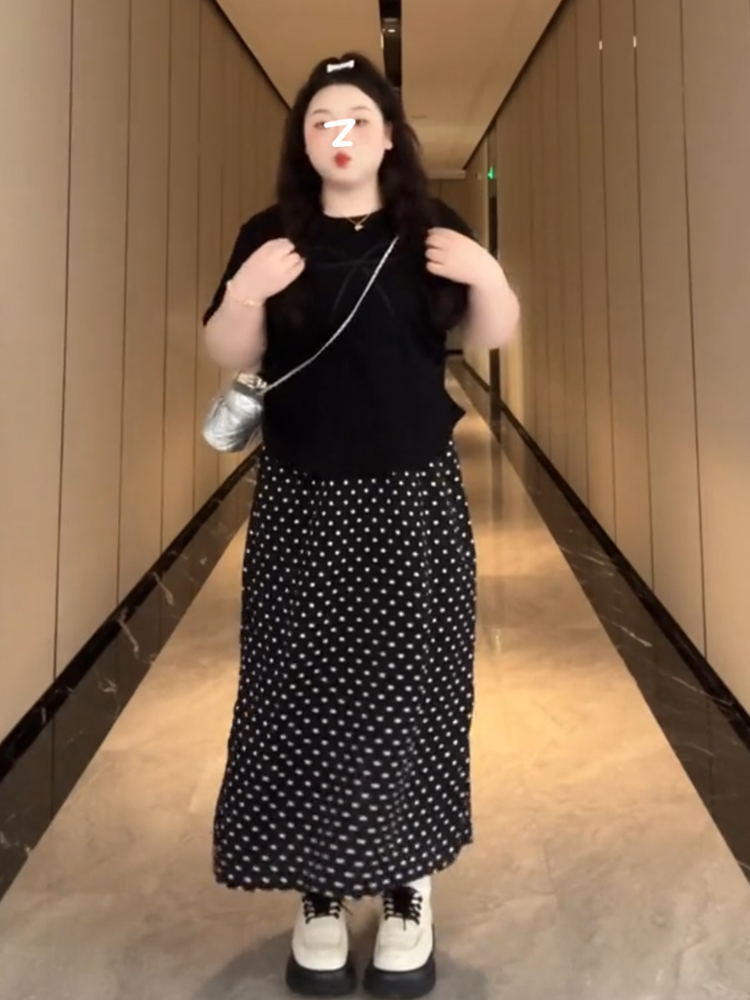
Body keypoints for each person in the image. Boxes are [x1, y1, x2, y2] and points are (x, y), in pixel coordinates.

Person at [202, 52, 519, 999]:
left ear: (388, 137)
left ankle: (408, 882)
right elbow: (227, 348)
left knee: (408, 693)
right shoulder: (269, 234)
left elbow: (487, 336)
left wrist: (488, 274)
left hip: (411, 498)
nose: (339, 134)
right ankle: (322, 889)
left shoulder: (431, 228)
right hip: (302, 497)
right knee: (298, 694)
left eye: (357, 119)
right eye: (320, 121)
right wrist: (246, 291)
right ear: (303, 141)